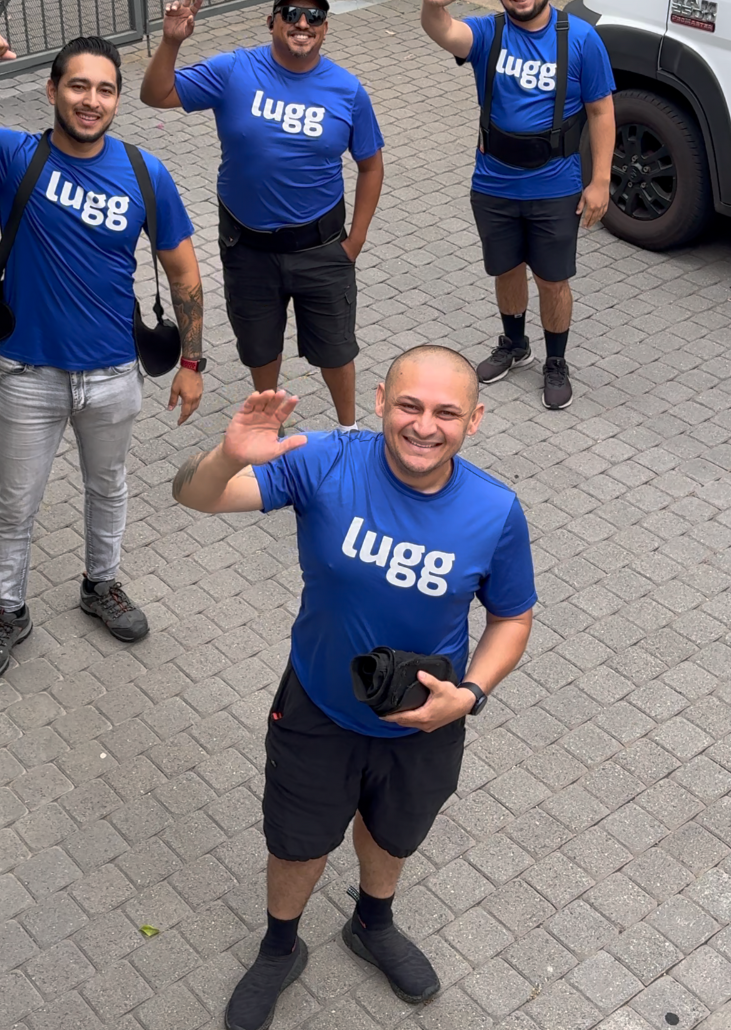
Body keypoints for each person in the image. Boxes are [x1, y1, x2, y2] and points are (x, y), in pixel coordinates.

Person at [172, 345, 535, 1030]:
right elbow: (196, 496)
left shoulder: (495, 510)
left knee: (392, 833)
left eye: (446, 413)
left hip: (427, 718)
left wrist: (473, 695)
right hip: (318, 704)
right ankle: (280, 947)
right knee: (298, 843)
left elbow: (512, 616)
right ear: (378, 403)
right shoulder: (327, 461)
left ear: (475, 421)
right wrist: (229, 456)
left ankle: (372, 923)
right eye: (410, 406)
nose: (425, 426)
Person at [0, 26, 205, 682]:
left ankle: (101, 586)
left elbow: (184, 276)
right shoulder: (12, 158)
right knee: (14, 503)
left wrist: (194, 363)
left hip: (115, 373)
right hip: (27, 372)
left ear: (117, 100)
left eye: (105, 90)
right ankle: (8, 610)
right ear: (53, 89)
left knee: (108, 488)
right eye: (79, 86)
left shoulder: (146, 173)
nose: (91, 100)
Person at [140, 0, 384, 431]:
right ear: (271, 22)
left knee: (335, 349)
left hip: (321, 246)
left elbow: (371, 165)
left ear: (326, 29)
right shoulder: (234, 70)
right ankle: (268, 423)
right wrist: (171, 43)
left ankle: (349, 431)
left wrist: (355, 242)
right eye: (291, 13)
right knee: (259, 346)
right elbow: (156, 94)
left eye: (314, 15)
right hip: (247, 246)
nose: (303, 22)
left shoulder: (348, 91)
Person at [420, 0, 616, 410]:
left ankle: (555, 361)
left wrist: (601, 182)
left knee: (552, 280)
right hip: (493, 182)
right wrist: (430, 4)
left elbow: (602, 112)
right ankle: (514, 345)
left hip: (555, 185)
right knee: (506, 269)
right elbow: (443, 31)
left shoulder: (582, 39)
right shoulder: (489, 34)